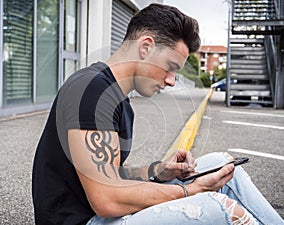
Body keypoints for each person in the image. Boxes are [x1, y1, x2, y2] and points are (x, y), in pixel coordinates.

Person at [32, 3, 283, 225]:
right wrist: (192, 191)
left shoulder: (114, 96)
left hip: (99, 212)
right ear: (146, 47)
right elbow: (107, 199)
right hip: (86, 220)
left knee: (225, 166)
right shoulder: (92, 91)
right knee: (222, 208)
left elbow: (107, 173)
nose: (172, 81)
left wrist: (157, 171)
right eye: (171, 67)